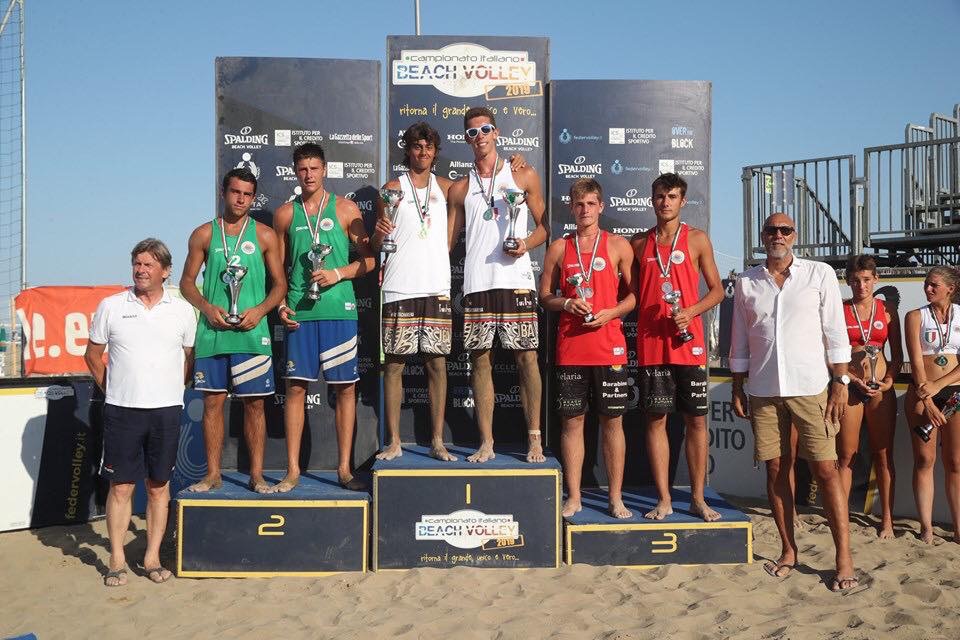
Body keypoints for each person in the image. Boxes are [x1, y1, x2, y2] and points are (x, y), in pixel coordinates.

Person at [730, 212, 857, 591]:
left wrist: (841, 381)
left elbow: (835, 331)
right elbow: (740, 338)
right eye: (771, 230)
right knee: (775, 469)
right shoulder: (746, 281)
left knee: (826, 470)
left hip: (812, 386)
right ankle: (789, 550)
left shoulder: (819, 273)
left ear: (794, 235)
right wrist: (737, 385)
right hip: (763, 390)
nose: (778, 235)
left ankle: (844, 558)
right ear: (763, 236)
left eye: (785, 230)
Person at [85, 239, 196, 586]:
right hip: (122, 412)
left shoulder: (183, 311)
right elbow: (93, 356)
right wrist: (114, 391)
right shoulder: (111, 306)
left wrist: (169, 390)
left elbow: (189, 360)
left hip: (165, 411)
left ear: (166, 271)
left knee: (159, 487)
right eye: (137, 263)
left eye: (149, 264)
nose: (141, 270)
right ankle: (117, 559)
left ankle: (151, 558)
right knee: (121, 488)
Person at [447, 106, 549, 463]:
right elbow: (446, 243)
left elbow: (546, 226)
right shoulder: (460, 187)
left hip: (516, 281)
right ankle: (486, 441)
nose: (480, 137)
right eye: (472, 132)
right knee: (480, 362)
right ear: (466, 139)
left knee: (527, 358)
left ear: (497, 132)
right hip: (477, 285)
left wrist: (526, 244)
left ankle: (534, 439)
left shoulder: (522, 174)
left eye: (485, 129)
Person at [272, 143, 375, 491]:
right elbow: (278, 270)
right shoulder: (285, 214)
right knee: (295, 389)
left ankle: (344, 469)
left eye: (314, 168)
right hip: (300, 312)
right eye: (302, 169)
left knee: (345, 390)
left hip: (339, 312)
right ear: (295, 172)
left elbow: (369, 260)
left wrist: (337, 274)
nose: (309, 175)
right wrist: (281, 304)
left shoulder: (346, 209)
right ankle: (292, 471)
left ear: (325, 170)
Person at [180, 168, 287, 493]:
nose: (241, 199)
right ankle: (213, 474)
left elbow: (280, 286)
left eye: (247, 194)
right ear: (223, 193)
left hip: (252, 335)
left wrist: (260, 311)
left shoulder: (265, 235)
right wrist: (207, 308)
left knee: (255, 405)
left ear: (253, 198)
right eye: (235, 192)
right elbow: (186, 283)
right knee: (212, 404)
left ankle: (256, 475)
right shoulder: (203, 234)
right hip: (213, 334)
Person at [629, 173, 723, 521]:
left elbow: (717, 290)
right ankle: (664, 499)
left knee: (696, 421)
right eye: (659, 196)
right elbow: (631, 295)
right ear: (651, 200)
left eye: (671, 196)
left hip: (689, 344)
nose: (665, 202)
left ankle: (697, 498)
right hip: (652, 344)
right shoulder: (639, 243)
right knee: (656, 421)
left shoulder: (697, 239)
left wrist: (691, 311)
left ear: (683, 201)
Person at [539, 178, 635, 518]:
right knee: (572, 423)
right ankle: (575, 496)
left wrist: (612, 312)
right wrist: (566, 303)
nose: (585, 210)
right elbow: (544, 296)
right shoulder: (558, 248)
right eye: (579, 204)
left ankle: (616, 498)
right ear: (571, 207)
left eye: (591, 204)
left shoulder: (618, 245)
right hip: (571, 349)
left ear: (601, 207)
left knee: (613, 423)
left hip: (609, 347)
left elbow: (634, 296)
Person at [372, 122, 457, 462]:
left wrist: (514, 164)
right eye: (417, 146)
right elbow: (377, 243)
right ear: (408, 150)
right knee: (394, 366)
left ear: (435, 152)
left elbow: (487, 188)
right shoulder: (391, 189)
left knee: (437, 364)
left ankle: (437, 440)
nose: (423, 152)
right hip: (398, 286)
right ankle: (394, 441)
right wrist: (379, 232)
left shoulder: (448, 188)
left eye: (429, 147)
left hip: (436, 286)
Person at [837, 254, 902, 539]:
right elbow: (833, 354)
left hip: (880, 389)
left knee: (883, 455)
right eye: (855, 281)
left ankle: (887, 519)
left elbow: (897, 356)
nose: (861, 286)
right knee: (846, 455)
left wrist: (888, 382)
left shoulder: (887, 310)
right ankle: (841, 517)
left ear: (876, 279)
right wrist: (851, 379)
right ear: (848, 281)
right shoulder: (841, 309)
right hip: (851, 386)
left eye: (866, 280)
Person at [904, 265, 960, 543]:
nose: (927, 289)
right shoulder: (915, 316)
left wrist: (940, 385)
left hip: (955, 395)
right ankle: (926, 526)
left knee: (955, 462)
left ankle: (958, 527)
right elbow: (916, 363)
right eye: (926, 283)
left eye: (934, 285)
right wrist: (927, 398)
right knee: (924, 460)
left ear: (950, 288)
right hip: (922, 393)